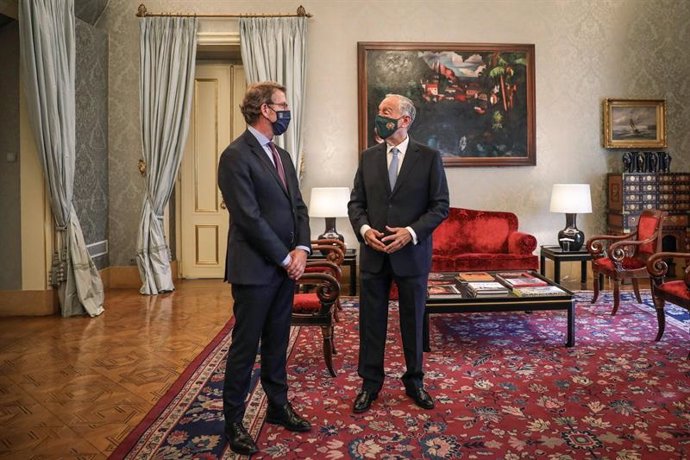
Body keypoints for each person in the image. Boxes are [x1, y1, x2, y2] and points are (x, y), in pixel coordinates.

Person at [218, 81, 312, 455]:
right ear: (265, 110)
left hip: (285, 268)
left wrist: (303, 248)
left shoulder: (282, 155)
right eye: (282, 104)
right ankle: (233, 421)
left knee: (277, 341)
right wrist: (286, 258)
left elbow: (298, 208)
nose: (287, 110)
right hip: (255, 270)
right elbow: (249, 218)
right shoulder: (235, 156)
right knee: (245, 346)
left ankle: (277, 405)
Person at [348, 93, 449, 413]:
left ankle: (415, 381)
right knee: (371, 322)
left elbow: (440, 206)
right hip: (374, 254)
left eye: (386, 112)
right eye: (378, 110)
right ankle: (370, 384)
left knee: (414, 321)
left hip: (412, 255)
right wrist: (365, 232)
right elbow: (356, 204)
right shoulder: (367, 157)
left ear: (405, 120)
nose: (379, 115)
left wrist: (411, 233)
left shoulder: (430, 157)